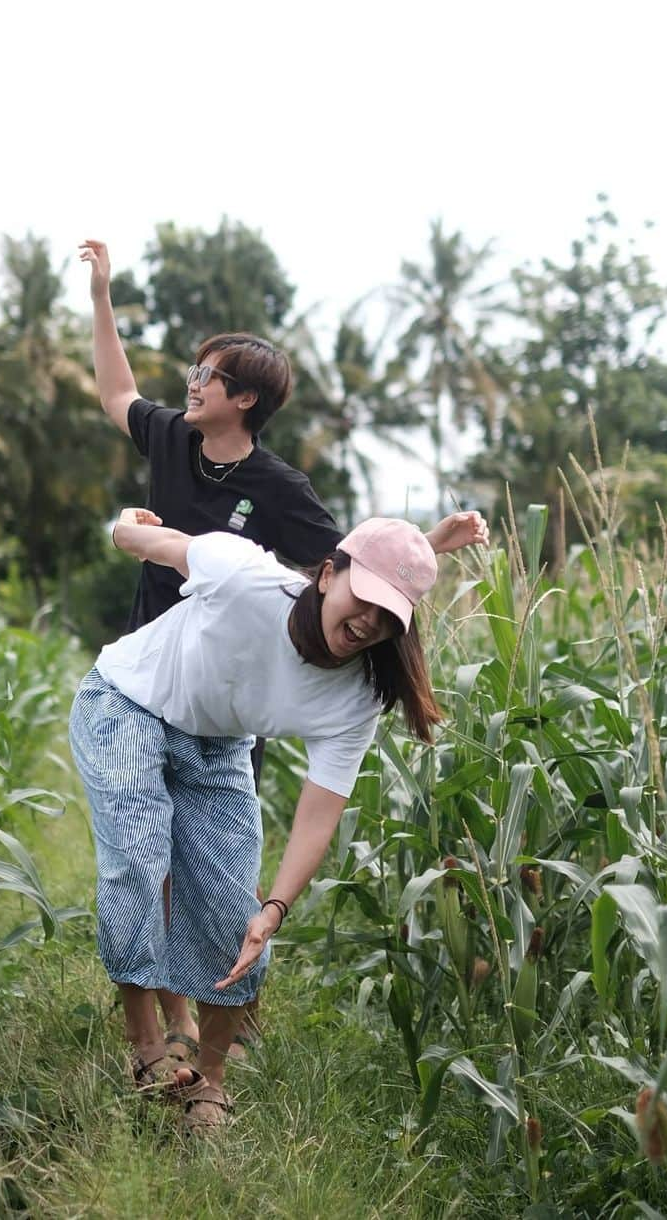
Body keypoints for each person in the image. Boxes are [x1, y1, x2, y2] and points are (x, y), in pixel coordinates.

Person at [79, 237, 490, 1060]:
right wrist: (101, 299)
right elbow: (114, 390)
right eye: (195, 374)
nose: (191, 385)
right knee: (143, 845)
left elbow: (350, 574)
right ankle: (159, 1015)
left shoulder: (280, 491)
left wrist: (430, 548)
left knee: (206, 860)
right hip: (156, 664)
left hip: (244, 688)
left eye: (209, 376)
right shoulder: (168, 438)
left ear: (246, 399)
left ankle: (199, 1009)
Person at [69, 508, 482, 1133]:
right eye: (363, 599)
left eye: (389, 615)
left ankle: (209, 1084)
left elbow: (320, 811)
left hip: (219, 743)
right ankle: (146, 1049)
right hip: (127, 702)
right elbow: (157, 543)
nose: (369, 621)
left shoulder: (361, 695)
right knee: (139, 859)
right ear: (325, 575)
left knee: (236, 910)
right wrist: (124, 524)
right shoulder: (244, 578)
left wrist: (276, 909)